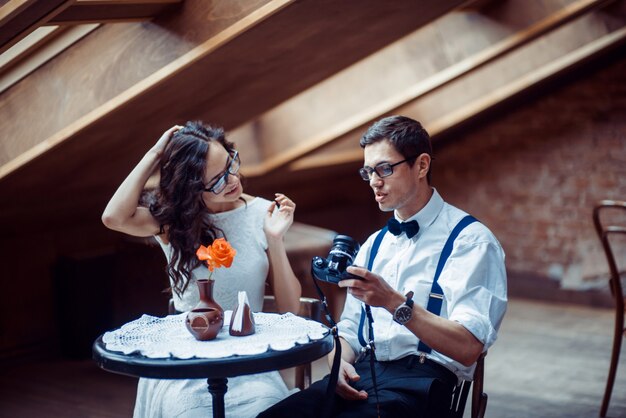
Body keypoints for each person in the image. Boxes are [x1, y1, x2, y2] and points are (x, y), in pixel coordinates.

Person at [259, 115, 507, 418]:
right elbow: (349, 328)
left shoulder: (471, 242)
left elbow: (468, 346)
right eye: (368, 171)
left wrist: (392, 301)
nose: (375, 181)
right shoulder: (375, 243)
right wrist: (338, 363)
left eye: (385, 168)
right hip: (361, 373)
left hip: (422, 383)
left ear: (422, 165)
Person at [101, 120, 302, 418]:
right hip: (186, 361)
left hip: (247, 360)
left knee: (264, 408)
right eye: (218, 180)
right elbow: (113, 217)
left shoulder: (263, 213)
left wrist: (274, 239)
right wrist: (155, 154)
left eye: (230, 164)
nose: (233, 179)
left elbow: (291, 308)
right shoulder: (172, 222)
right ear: (191, 190)